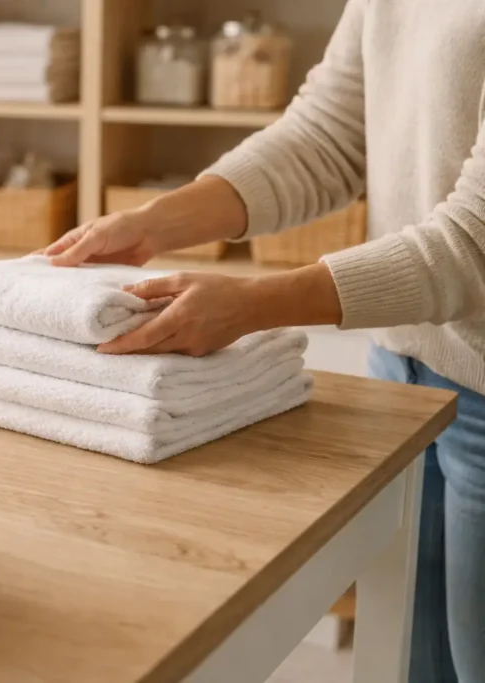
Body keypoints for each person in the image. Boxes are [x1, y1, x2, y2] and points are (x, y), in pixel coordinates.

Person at [41, 1, 485, 680]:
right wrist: (159, 222)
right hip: (398, 373)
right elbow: (330, 135)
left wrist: (254, 304)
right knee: (412, 666)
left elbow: (472, 245)